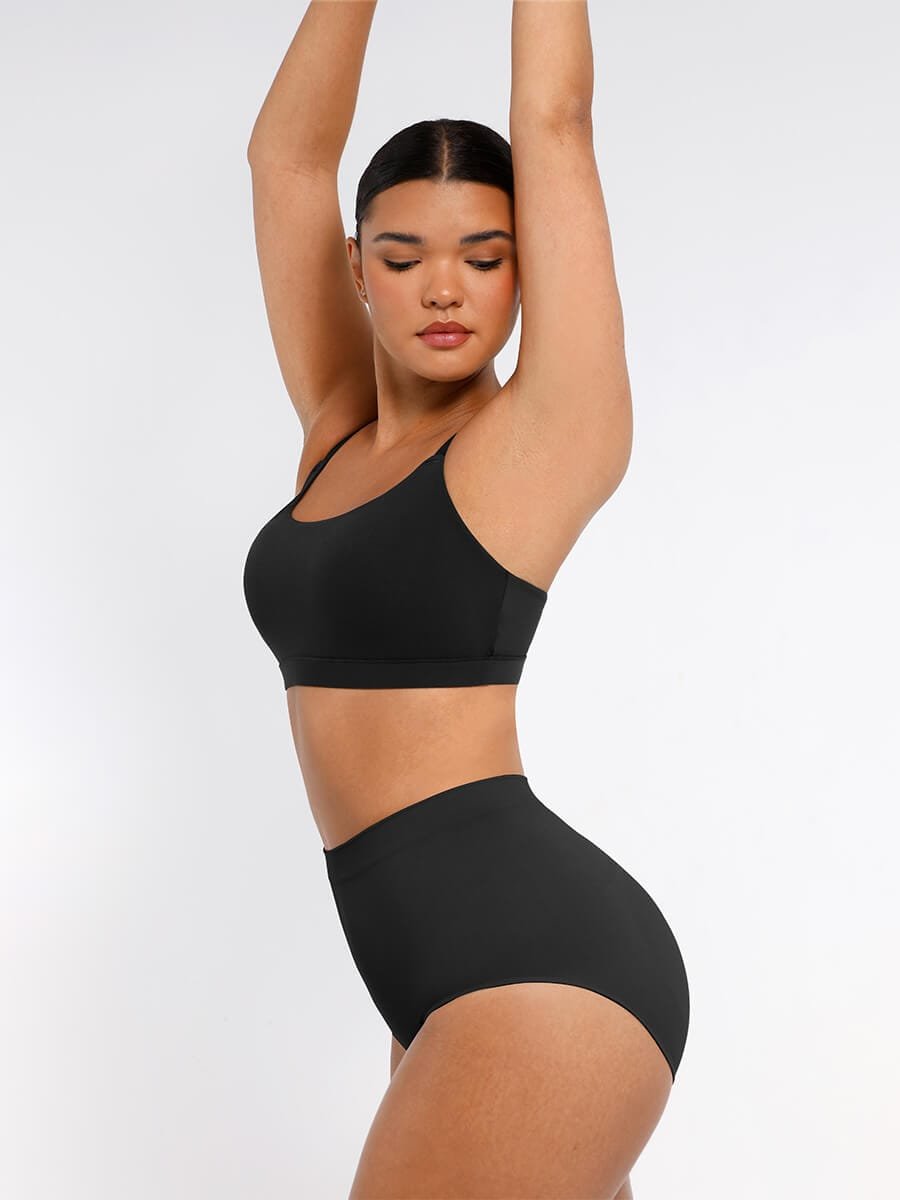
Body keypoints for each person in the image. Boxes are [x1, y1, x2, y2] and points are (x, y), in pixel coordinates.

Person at [242, 2, 689, 1195]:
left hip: (539, 972)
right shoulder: (337, 432)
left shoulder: (540, 440)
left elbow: (555, 120)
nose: (445, 289)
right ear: (358, 269)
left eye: (487, 259)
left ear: (529, 268)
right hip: (432, 982)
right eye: (403, 260)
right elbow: (286, 160)